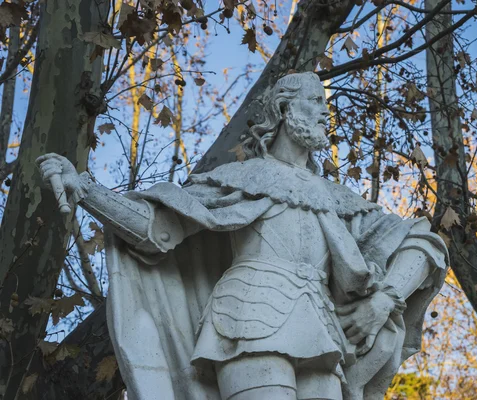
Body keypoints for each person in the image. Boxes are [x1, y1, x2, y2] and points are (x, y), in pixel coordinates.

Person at [37, 72, 447, 400]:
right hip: (249, 320)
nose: (328, 113)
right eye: (317, 102)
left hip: (322, 329)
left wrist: (383, 300)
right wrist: (87, 189)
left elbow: (423, 243)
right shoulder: (237, 179)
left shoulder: (339, 200)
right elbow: (154, 228)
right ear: (286, 109)